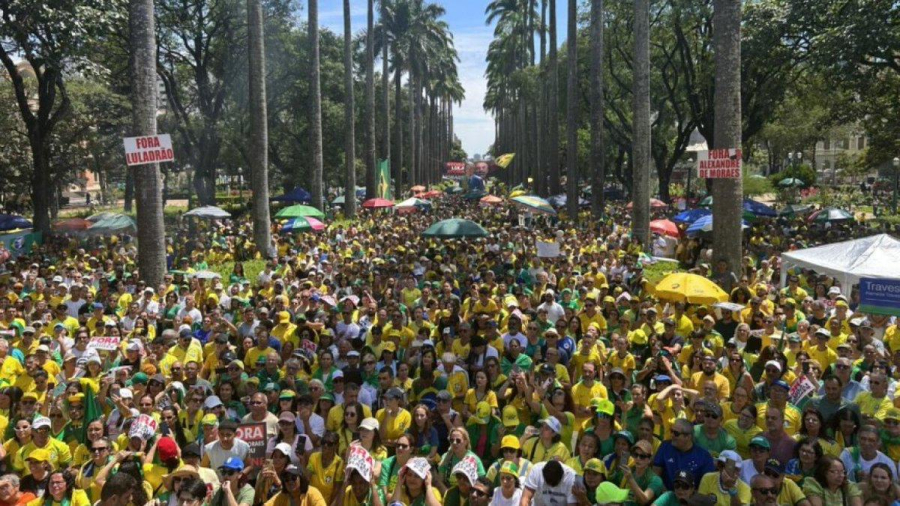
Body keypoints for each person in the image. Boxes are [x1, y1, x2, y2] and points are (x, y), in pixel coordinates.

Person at [651, 419, 715, 490]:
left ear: (688, 437)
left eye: (676, 433)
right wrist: (666, 495)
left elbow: (707, 486)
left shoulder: (704, 456)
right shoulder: (665, 446)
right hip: (665, 495)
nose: (672, 435)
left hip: (691, 498)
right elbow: (655, 473)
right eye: (671, 431)